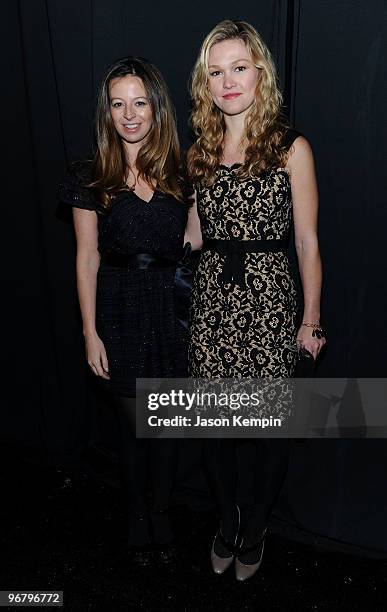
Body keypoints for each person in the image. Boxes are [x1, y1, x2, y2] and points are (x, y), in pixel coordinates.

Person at [185, 20, 326, 581]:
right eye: (216, 72)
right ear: (205, 83)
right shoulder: (200, 152)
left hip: (269, 303)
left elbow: (308, 240)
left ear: (260, 71)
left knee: (267, 432)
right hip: (212, 305)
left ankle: (256, 526)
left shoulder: (292, 148)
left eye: (238, 67)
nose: (227, 81)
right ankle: (225, 521)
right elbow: (193, 233)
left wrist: (310, 321)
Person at [59, 56, 188, 565]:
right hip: (118, 306)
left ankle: (162, 509)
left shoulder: (183, 172)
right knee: (134, 424)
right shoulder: (90, 176)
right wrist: (90, 331)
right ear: (106, 112)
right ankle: (137, 514)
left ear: (156, 107)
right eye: (118, 104)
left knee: (170, 424)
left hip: (172, 305)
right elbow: (86, 256)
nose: (129, 114)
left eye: (139, 102)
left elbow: (194, 239)